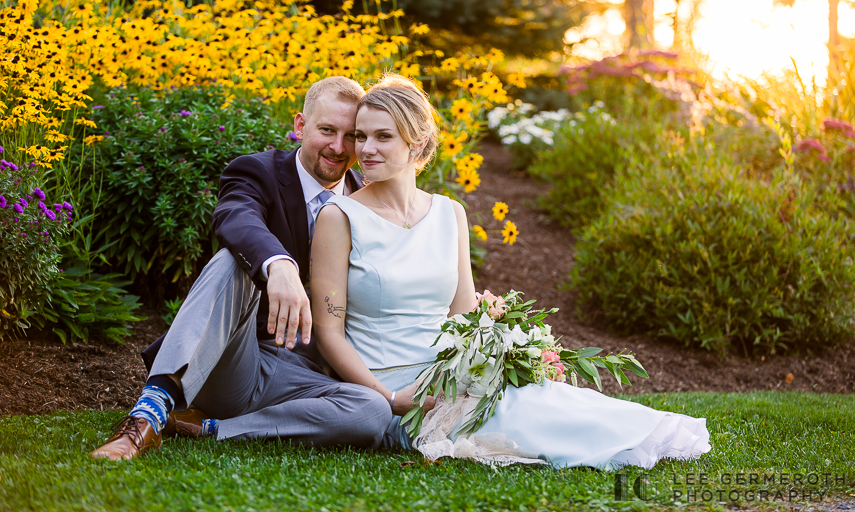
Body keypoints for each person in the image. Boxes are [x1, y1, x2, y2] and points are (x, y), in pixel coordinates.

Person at [309, 74, 711, 467]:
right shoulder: (340, 216)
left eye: (383, 136)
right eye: (361, 136)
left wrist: (501, 358)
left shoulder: (450, 213)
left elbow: (464, 315)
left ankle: (639, 432)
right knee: (522, 422)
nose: (365, 149)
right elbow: (329, 333)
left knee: (539, 402)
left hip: (455, 376)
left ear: (417, 143)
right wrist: (389, 399)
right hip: (393, 387)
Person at [91, 76, 392, 461]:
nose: (337, 147)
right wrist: (278, 263)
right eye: (326, 130)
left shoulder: (368, 202)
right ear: (300, 125)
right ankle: (147, 417)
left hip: (311, 379)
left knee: (373, 412)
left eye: (350, 136)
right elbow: (236, 217)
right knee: (232, 262)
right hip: (240, 362)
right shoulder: (257, 172)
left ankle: (210, 429)